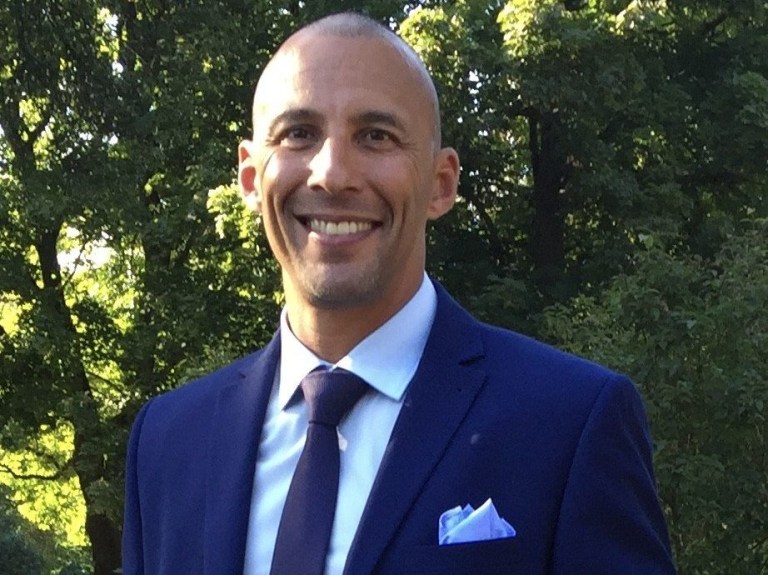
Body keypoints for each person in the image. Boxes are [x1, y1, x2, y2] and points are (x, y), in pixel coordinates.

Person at [122, 11, 676, 575]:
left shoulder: (570, 422)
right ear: (249, 176)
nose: (332, 173)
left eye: (376, 136)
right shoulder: (168, 442)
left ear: (441, 184)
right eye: (298, 134)